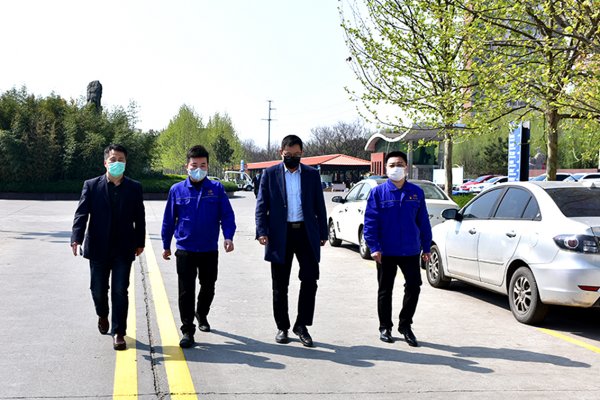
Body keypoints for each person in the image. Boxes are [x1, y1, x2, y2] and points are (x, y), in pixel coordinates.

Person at [71, 144, 146, 351]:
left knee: (121, 290)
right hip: (98, 247)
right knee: (98, 289)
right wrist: (76, 237)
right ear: (105, 162)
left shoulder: (134, 187)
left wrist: (140, 242)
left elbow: (139, 216)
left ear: (126, 163)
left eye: (121, 160)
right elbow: (81, 213)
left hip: (123, 247)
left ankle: (119, 332)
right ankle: (102, 314)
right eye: (113, 159)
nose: (117, 163)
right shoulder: (91, 185)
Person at [255, 135, 328, 347]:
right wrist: (262, 231)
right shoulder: (270, 174)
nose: (293, 158)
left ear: (302, 153)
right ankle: (283, 327)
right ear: (281, 153)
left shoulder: (312, 175)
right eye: (289, 154)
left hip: (306, 233)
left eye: (297, 154)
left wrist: (323, 233)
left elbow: (319, 205)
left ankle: (301, 325)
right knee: (280, 285)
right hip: (280, 235)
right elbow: (261, 205)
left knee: (310, 279)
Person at [161, 145, 236, 348]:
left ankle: (201, 313)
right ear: (187, 166)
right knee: (186, 291)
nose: (198, 169)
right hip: (185, 249)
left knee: (208, 286)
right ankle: (187, 330)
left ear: (208, 166)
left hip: (209, 249)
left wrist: (228, 236)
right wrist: (166, 244)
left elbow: (227, 215)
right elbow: (169, 220)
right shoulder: (177, 190)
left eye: (203, 165)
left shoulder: (216, 189)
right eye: (194, 165)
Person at [363, 151, 432, 347]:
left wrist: (426, 246)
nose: (396, 168)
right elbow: (370, 222)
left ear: (406, 167)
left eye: (399, 164)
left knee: (414, 287)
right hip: (385, 251)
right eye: (392, 165)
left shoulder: (416, 193)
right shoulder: (378, 193)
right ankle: (385, 327)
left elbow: (423, 221)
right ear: (386, 168)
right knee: (385, 290)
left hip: (410, 250)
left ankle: (405, 325)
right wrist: (374, 247)